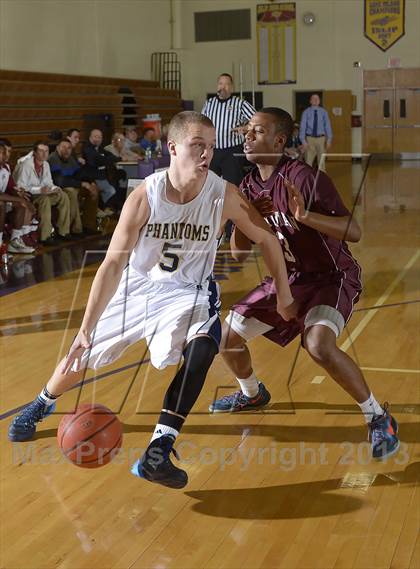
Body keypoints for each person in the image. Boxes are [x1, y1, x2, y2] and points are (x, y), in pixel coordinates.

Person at [8, 111, 297, 489]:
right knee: (82, 352)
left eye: (210, 146)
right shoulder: (146, 195)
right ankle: (42, 402)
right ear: (172, 148)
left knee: (205, 344)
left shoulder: (223, 194)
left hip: (188, 291)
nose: (206, 153)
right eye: (197, 145)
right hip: (138, 286)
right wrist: (85, 326)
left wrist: (285, 293)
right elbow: (112, 264)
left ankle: (159, 449)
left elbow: (267, 240)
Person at [209, 107, 399, 461]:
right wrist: (246, 217)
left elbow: (354, 231)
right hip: (289, 278)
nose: (248, 136)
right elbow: (237, 255)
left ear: (279, 140)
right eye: (247, 131)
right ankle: (251, 393)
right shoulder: (249, 185)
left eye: (258, 131)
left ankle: (378, 418)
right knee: (227, 339)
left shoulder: (306, 178)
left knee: (318, 345)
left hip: (332, 277)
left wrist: (304, 217)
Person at [201, 73, 256, 186]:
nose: (223, 87)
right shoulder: (209, 103)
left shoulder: (240, 103)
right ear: (217, 86)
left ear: (232, 87)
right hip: (213, 150)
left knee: (233, 185)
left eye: (227, 84)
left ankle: (234, 204)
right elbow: (202, 123)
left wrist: (246, 128)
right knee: (210, 184)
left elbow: (258, 120)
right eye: (221, 83)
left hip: (232, 151)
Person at [14, 141, 71, 246]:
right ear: (35, 152)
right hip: (29, 195)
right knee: (45, 200)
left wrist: (56, 188)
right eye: (41, 151)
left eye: (46, 151)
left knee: (63, 195)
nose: (44, 154)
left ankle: (64, 231)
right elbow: (20, 187)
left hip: (43, 193)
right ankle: (45, 236)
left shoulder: (46, 164)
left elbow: (49, 183)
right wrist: (39, 190)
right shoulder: (26, 165)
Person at [48, 139, 100, 235]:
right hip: (59, 187)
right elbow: (60, 181)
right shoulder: (53, 158)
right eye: (63, 147)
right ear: (57, 148)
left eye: (69, 148)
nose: (66, 150)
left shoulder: (71, 158)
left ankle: (88, 225)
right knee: (72, 192)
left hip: (73, 184)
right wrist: (81, 184)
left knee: (93, 189)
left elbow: (80, 173)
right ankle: (74, 229)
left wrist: (91, 182)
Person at [0, 143, 35, 255]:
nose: (5, 155)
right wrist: (20, 199)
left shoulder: (6, 167)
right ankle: (0, 243)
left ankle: (15, 241)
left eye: (6, 152)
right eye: (2, 152)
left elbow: (10, 187)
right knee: (2, 204)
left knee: (21, 205)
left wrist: (19, 193)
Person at [299, 94, 332, 171]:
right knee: (308, 161)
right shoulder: (306, 112)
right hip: (309, 139)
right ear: (310, 101)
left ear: (319, 101)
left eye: (317, 99)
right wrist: (303, 141)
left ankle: (321, 179)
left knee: (321, 162)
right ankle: (308, 179)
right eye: (313, 99)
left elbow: (327, 126)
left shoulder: (324, 112)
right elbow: (303, 127)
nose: (315, 100)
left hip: (321, 139)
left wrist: (329, 139)